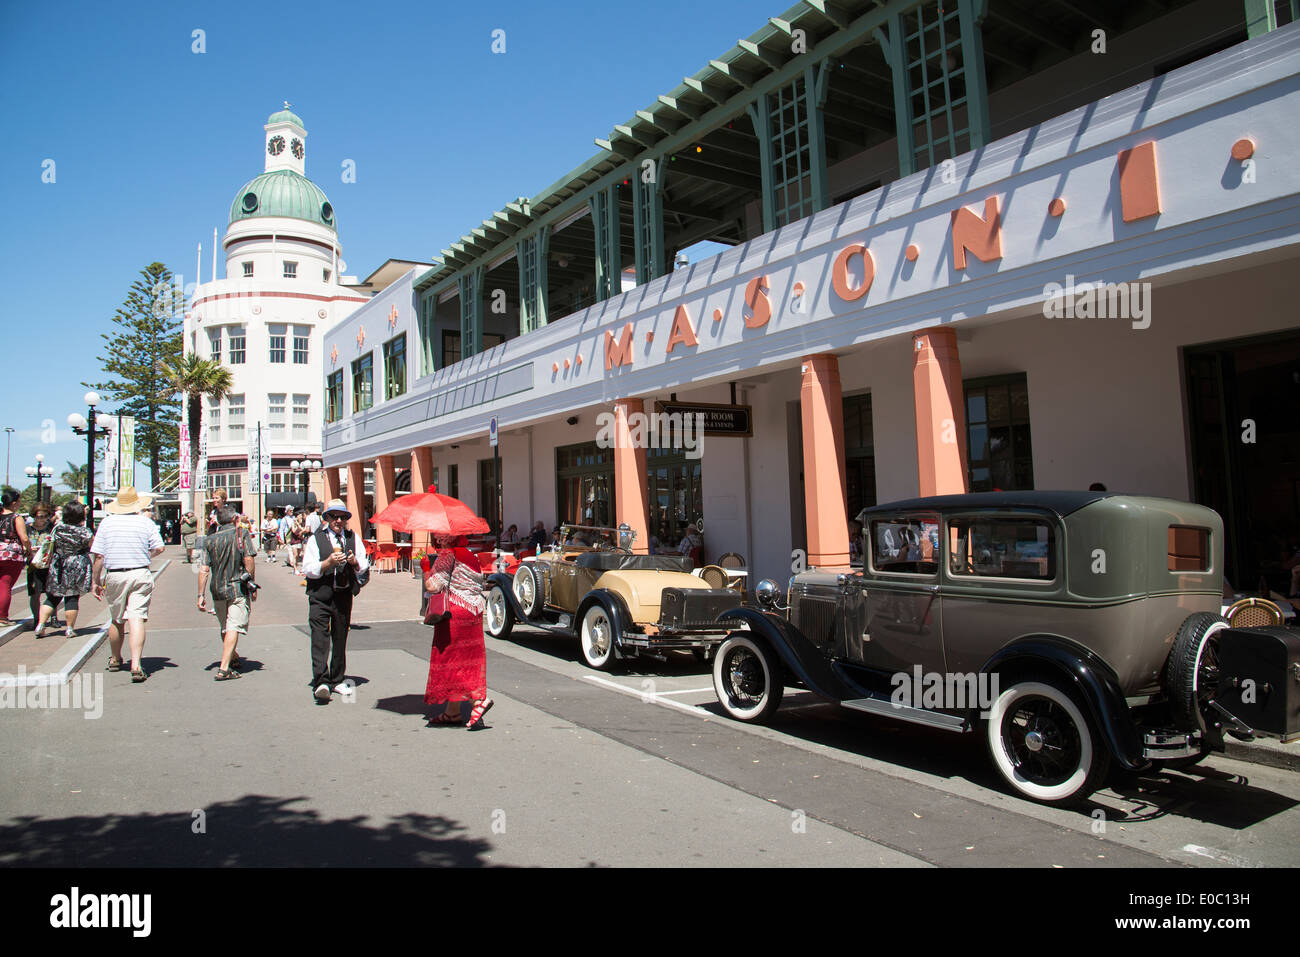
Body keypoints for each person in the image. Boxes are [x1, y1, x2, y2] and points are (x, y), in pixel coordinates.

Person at [89, 487, 165, 682]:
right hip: (140, 572)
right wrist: (147, 556)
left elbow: (98, 556)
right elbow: (159, 547)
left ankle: (115, 658)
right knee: (136, 617)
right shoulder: (145, 522)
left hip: (115, 574)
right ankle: (136, 663)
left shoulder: (106, 523)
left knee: (116, 618)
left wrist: (95, 581)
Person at [302, 499, 369, 703]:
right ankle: (321, 680)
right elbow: (309, 568)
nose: (338, 521)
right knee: (320, 636)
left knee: (340, 636)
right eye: (334, 517)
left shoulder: (352, 538)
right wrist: (327, 563)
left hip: (343, 593)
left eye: (342, 517)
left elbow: (364, 563)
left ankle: (337, 678)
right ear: (327, 518)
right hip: (320, 594)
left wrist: (354, 562)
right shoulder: (317, 539)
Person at [423, 534, 493, 728]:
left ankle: (478, 701)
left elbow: (433, 586)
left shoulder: (447, 555)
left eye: (440, 537)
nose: (438, 540)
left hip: (455, 614)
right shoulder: (470, 555)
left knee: (451, 660)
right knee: (468, 658)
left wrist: (426, 569)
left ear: (446, 539)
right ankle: (452, 713)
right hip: (475, 612)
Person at [197, 506, 257, 680]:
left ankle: (233, 655)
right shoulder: (241, 534)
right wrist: (251, 582)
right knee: (233, 626)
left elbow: (204, 569)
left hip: (217, 588)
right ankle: (224, 668)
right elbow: (248, 558)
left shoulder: (209, 540)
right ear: (234, 519)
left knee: (225, 626)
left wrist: (200, 595)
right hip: (237, 586)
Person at [35, 501, 94, 638]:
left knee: (52, 597)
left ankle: (41, 625)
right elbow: (92, 545)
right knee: (72, 597)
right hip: (76, 564)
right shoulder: (84, 531)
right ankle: (69, 629)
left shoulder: (57, 528)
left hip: (58, 564)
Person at [26, 504, 59, 634]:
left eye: (46, 516)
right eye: (40, 516)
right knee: (35, 593)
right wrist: (28, 549)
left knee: (52, 592)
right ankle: (36, 618)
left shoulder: (50, 528)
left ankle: (54, 617)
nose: (43, 519)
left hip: (48, 564)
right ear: (34, 516)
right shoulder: (28, 529)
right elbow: (23, 543)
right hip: (33, 564)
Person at [0, 490, 31, 627]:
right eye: (18, 502)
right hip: (11, 555)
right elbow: (24, 538)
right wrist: (28, 548)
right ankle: (2, 617)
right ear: (13, 504)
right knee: (5, 585)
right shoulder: (16, 518)